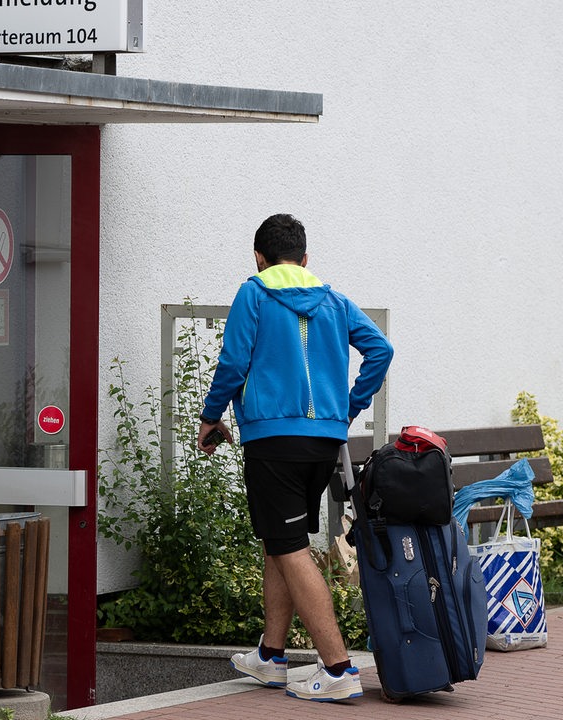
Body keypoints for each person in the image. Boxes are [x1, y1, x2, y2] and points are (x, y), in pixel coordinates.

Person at [197, 213, 393, 702]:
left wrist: (210, 415)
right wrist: (347, 408)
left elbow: (235, 361)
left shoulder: (255, 292)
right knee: (279, 540)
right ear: (305, 260)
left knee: (289, 547)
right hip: (323, 442)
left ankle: (339, 669)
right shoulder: (334, 299)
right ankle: (271, 656)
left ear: (258, 258)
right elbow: (381, 350)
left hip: (274, 440)